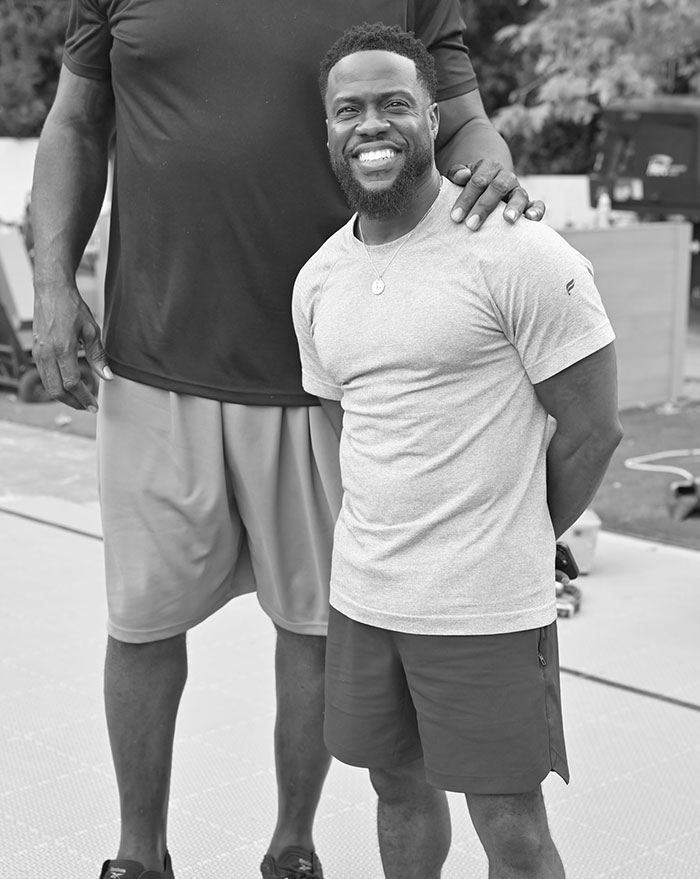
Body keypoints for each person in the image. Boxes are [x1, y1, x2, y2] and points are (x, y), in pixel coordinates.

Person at [30, 4, 546, 878]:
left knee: (313, 630)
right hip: (156, 357)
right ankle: (137, 857)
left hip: (330, 368)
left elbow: (459, 122)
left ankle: (293, 848)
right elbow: (76, 119)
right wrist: (51, 281)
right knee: (142, 624)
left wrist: (491, 178)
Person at [292, 23, 623, 879]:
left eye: (395, 104)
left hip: (484, 611)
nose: (372, 125)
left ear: (434, 119)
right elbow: (344, 425)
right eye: (349, 110)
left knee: (511, 828)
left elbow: (593, 429)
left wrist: (517, 534)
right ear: (326, 129)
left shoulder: (517, 250)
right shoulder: (318, 279)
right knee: (396, 794)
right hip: (366, 600)